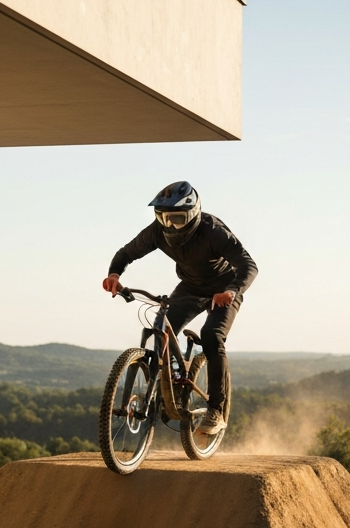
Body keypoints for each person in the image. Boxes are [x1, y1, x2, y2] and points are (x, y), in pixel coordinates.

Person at [102, 181, 257, 436]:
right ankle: (172, 382)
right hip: (191, 287)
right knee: (161, 328)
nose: (169, 224)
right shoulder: (158, 232)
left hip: (224, 289)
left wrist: (231, 291)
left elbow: (248, 266)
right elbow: (127, 252)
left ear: (193, 214)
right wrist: (114, 274)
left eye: (176, 218)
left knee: (211, 336)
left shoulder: (213, 231)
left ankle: (216, 411)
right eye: (163, 218)